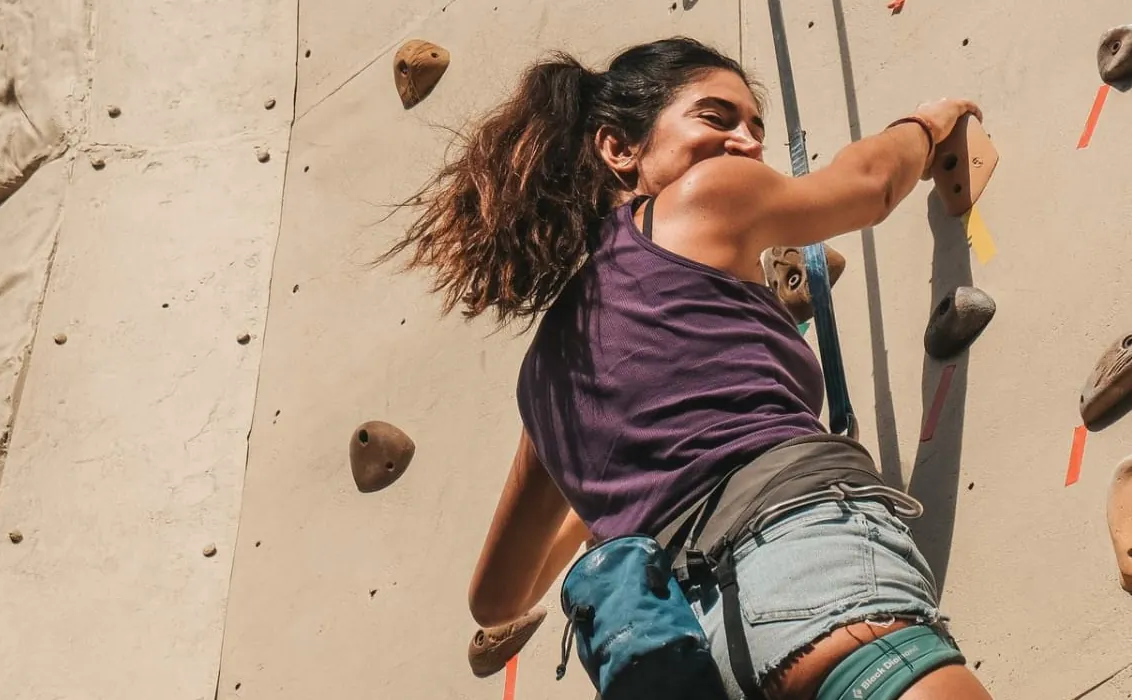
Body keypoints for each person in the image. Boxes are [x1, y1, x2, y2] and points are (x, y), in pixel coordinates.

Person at [383, 36, 993, 699]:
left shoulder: (545, 385)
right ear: (619, 149)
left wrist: (615, 494)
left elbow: (500, 596)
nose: (749, 144)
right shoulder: (706, 197)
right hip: (799, 557)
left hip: (683, 647)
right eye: (717, 116)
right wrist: (926, 127)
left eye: (756, 128)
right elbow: (867, 186)